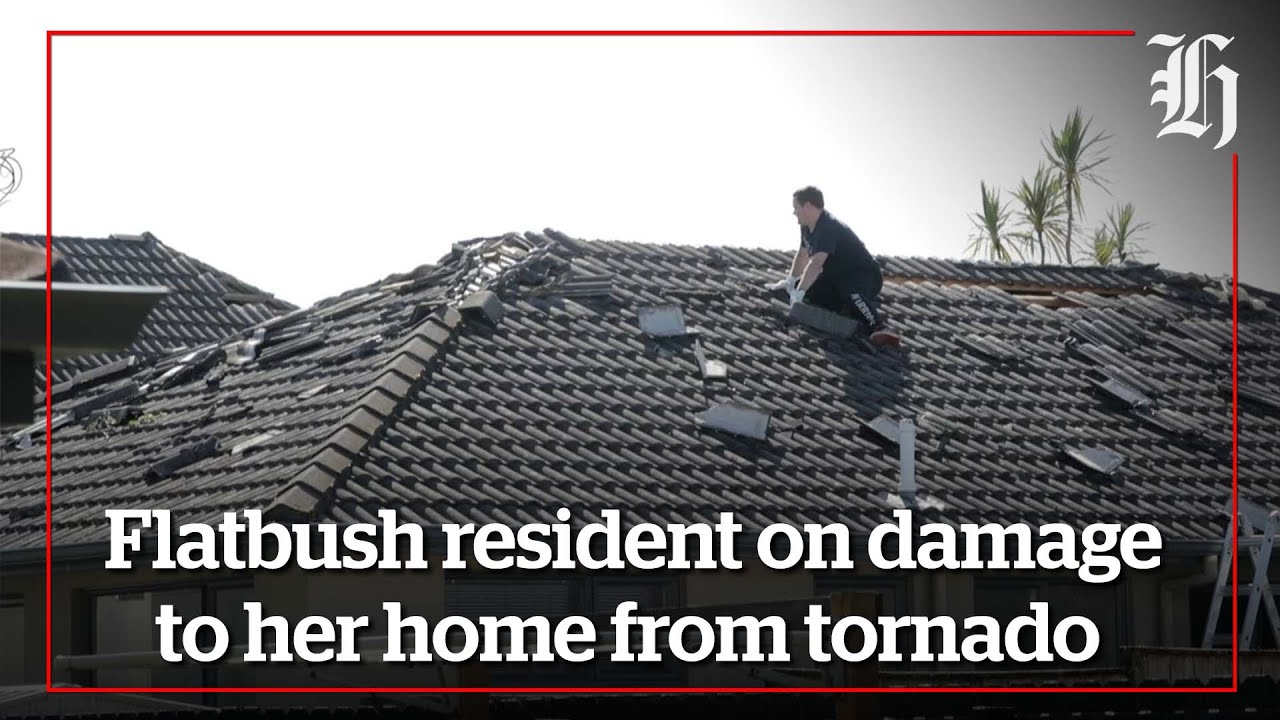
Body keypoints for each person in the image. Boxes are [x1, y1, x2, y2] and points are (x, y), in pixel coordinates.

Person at [767, 186, 899, 346]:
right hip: (837, 279)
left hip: (865, 278)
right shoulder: (807, 227)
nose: (794, 213)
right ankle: (844, 311)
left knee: (849, 292)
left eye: (796, 208)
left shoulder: (828, 227)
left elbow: (816, 264)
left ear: (807, 206)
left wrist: (798, 294)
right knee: (803, 288)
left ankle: (879, 326)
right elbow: (802, 255)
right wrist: (791, 282)